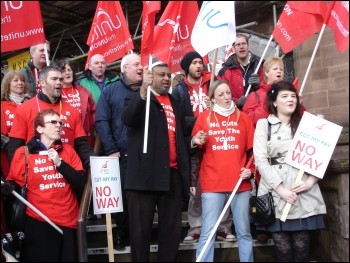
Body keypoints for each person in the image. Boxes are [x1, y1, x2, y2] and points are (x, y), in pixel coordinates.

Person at [121, 62, 205, 261]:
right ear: (150, 76)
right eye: (161, 75)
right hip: (143, 176)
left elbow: (177, 138)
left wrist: (192, 141)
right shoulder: (137, 98)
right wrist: (143, 92)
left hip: (171, 175)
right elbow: (128, 118)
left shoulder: (175, 102)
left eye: (168, 75)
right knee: (140, 234)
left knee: (171, 233)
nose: (166, 78)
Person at [253, 80, 326, 262]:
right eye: (285, 96)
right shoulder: (264, 125)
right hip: (276, 191)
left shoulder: (308, 125)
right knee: (283, 251)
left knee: (302, 249)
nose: (290, 100)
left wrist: (309, 182)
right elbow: (261, 161)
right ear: (275, 102)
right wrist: (280, 190)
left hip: (301, 192)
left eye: (293, 96)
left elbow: (319, 157)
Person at [1, 108, 87, 261]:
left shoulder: (68, 151)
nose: (58, 125)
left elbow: (80, 182)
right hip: (38, 221)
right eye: (53, 122)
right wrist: (8, 187)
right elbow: (15, 183)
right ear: (39, 128)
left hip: (68, 221)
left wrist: (60, 164)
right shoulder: (24, 153)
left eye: (60, 122)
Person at [172, 51, 236, 243]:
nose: (199, 66)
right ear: (186, 67)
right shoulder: (180, 90)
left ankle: (223, 226)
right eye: (194, 63)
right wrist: (199, 121)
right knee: (195, 185)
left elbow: (226, 105)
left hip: (217, 136)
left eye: (200, 62)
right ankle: (196, 227)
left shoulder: (212, 83)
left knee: (222, 182)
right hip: (193, 141)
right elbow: (179, 120)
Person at [191, 79, 255, 262]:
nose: (226, 97)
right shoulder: (204, 118)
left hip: (239, 184)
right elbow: (195, 153)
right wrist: (196, 140)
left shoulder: (242, 117)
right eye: (221, 94)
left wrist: (250, 170)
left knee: (244, 232)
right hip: (212, 183)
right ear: (212, 98)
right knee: (208, 232)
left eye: (228, 93)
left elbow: (253, 151)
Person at [5, 65, 95, 174]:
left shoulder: (73, 111)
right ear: (42, 83)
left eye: (61, 79)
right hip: (37, 174)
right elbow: (15, 147)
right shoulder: (25, 109)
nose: (59, 82)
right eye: (54, 79)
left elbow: (81, 145)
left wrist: (93, 163)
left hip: (68, 173)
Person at [95, 53, 143, 250]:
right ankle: (122, 233)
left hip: (145, 155)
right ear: (124, 68)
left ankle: (141, 236)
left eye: (141, 64)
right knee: (122, 198)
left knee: (142, 198)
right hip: (121, 154)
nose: (141, 68)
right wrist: (111, 149)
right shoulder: (110, 91)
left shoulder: (149, 91)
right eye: (136, 65)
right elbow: (101, 121)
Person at [55, 58, 97, 148]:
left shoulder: (83, 91)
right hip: (65, 139)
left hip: (85, 138)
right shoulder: (55, 93)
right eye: (63, 70)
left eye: (69, 70)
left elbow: (94, 113)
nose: (67, 73)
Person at [217, 33, 264, 110]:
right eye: (238, 45)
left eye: (244, 43)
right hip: (235, 114)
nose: (241, 47)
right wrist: (237, 102)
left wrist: (260, 85)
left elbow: (269, 89)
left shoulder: (260, 66)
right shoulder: (225, 71)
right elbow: (219, 95)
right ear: (233, 49)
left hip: (256, 112)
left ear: (249, 46)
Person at [1, 71, 31, 179]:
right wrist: (9, 145)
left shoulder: (31, 103)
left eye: (22, 80)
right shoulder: (2, 105)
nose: (20, 83)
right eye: (16, 80)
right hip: (9, 152)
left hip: (31, 149)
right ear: (7, 84)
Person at [242, 56, 285, 127]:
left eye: (281, 69)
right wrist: (267, 105)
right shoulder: (255, 95)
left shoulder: (288, 93)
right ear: (266, 73)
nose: (279, 71)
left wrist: (299, 105)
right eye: (275, 69)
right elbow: (247, 120)